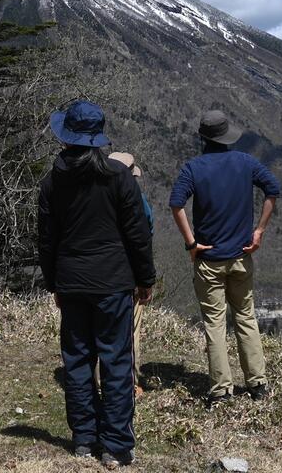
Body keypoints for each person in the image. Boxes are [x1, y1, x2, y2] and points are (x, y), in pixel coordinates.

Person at [38, 101, 155, 470]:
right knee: (116, 361)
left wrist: (54, 281)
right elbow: (137, 234)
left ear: (66, 136)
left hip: (72, 280)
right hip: (113, 281)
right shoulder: (117, 177)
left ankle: (84, 438)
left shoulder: (53, 181)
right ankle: (117, 445)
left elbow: (46, 239)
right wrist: (144, 279)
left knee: (77, 360)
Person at [169, 109, 280, 409]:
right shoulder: (245, 162)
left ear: (203, 137)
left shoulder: (193, 168)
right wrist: (259, 232)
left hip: (209, 260)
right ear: (227, 136)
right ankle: (257, 383)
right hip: (241, 257)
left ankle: (221, 389)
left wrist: (191, 243)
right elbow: (273, 189)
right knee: (246, 316)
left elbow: (176, 204)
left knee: (215, 325)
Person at [103, 151, 154, 398]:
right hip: (129, 272)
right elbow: (145, 234)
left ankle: (99, 383)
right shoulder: (137, 199)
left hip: (101, 272)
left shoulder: (97, 194)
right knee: (130, 330)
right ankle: (129, 383)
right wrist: (146, 279)